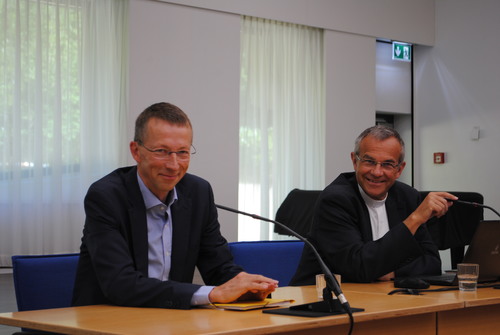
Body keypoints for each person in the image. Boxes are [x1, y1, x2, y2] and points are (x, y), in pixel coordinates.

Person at [72, 102, 278, 309]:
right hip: (108, 319)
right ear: (136, 151)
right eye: (161, 151)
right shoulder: (107, 196)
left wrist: (247, 285)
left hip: (172, 319)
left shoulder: (198, 192)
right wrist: (214, 294)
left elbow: (217, 265)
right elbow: (120, 284)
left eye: (182, 152)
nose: (173, 165)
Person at [290, 125, 457, 284]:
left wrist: (392, 273)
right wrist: (414, 219)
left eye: (387, 164)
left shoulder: (407, 197)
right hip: (323, 303)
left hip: (383, 295)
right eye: (369, 162)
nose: (377, 172)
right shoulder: (335, 200)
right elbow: (360, 267)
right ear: (355, 162)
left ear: (399, 169)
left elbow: (432, 264)